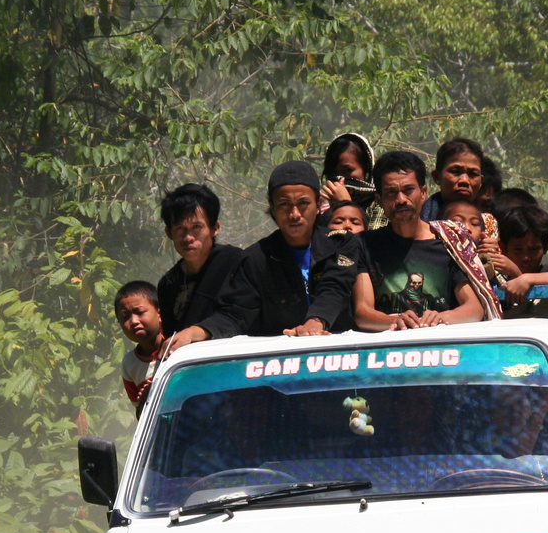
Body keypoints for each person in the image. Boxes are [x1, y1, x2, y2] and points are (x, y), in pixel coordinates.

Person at [168, 161, 362, 346]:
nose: (294, 214)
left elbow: (335, 287)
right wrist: (195, 332)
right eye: (285, 204)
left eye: (303, 203)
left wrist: (316, 322)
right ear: (272, 207)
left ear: (318, 204)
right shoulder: (255, 258)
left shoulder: (342, 243)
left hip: (340, 356)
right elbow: (237, 312)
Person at [354, 150, 497, 329]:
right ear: (379, 199)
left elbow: (474, 308)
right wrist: (394, 321)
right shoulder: (364, 244)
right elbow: (362, 312)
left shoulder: (449, 242)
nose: (401, 200)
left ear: (423, 193)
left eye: (408, 190)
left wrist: (439, 318)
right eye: (391, 192)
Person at [155, 183, 247, 336]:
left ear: (215, 228)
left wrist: (196, 333)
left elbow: (239, 316)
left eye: (196, 227)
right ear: (169, 233)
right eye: (180, 228)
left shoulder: (237, 264)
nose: (188, 237)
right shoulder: (168, 284)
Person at [490, 205, 548, 321]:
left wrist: (525, 279)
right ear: (503, 247)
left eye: (534, 249)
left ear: (546, 247)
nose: (526, 257)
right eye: (518, 250)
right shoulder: (495, 279)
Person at [115, 281, 166, 410]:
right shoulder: (129, 363)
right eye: (125, 317)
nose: (133, 321)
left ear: (159, 314)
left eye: (140, 312)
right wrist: (146, 399)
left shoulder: (178, 346)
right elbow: (139, 409)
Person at [419, 137, 491, 221]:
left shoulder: (488, 225)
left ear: (481, 182)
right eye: (455, 172)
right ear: (437, 177)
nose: (464, 180)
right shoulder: (416, 223)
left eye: (473, 174)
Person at [321, 132, 376, 216]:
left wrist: (345, 205)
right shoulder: (322, 213)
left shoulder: (383, 207)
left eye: (347, 170)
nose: (340, 179)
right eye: (333, 173)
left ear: (366, 170)